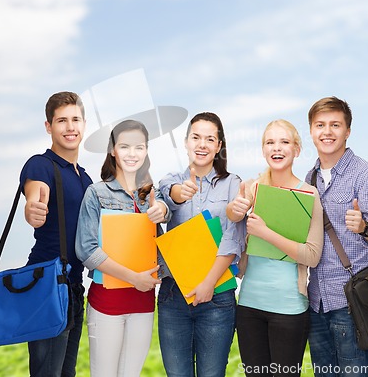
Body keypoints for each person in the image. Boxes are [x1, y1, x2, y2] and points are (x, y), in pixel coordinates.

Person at [226, 119, 324, 376]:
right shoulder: (251, 188)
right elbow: (233, 216)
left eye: (284, 142)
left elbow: (312, 256)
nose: (276, 148)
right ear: (263, 149)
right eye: (270, 142)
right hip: (249, 306)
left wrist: (266, 233)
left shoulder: (309, 194)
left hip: (289, 309)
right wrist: (234, 209)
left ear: (297, 149)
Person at [305, 96, 368, 377]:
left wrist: (365, 227)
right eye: (320, 125)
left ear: (348, 131)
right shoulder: (310, 178)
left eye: (335, 125)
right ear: (311, 131)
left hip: (350, 301)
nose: (327, 132)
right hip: (317, 300)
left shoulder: (364, 174)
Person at [75, 119, 169, 377]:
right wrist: (134, 279)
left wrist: (161, 209)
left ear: (146, 151)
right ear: (113, 150)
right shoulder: (96, 193)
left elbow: (165, 211)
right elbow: (87, 250)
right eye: (124, 146)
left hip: (143, 303)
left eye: (139, 147)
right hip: (107, 303)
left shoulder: (151, 194)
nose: (132, 153)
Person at [157, 112, 244, 377]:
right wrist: (176, 193)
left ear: (219, 146)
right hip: (174, 297)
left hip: (217, 298)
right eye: (196, 137)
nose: (202, 144)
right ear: (186, 142)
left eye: (210, 139)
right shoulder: (171, 181)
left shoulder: (233, 184)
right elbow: (165, 198)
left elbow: (233, 237)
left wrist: (209, 283)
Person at [20, 91, 93, 377]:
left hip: (74, 285)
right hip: (47, 284)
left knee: (66, 373)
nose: (70, 127)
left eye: (75, 119)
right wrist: (33, 210)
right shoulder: (41, 164)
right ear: (49, 126)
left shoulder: (85, 178)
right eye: (61, 120)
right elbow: (35, 196)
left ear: (84, 124)